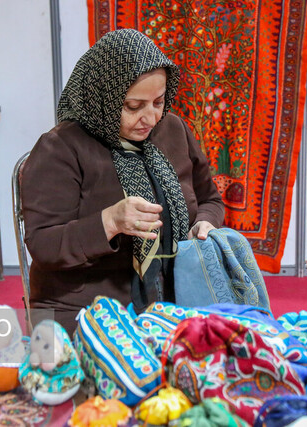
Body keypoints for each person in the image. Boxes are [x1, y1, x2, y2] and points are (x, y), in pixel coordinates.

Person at [22, 28, 225, 334]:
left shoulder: (173, 130)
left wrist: (205, 223)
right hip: (82, 306)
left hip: (176, 297)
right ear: (103, 96)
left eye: (158, 101)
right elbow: (43, 243)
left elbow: (210, 199)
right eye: (134, 106)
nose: (151, 118)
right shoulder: (60, 147)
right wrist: (110, 221)